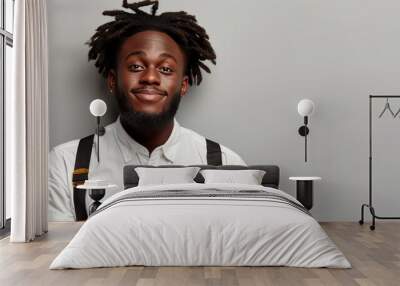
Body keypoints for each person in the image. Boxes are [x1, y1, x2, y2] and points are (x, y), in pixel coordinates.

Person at [48, 0, 246, 221]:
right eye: (136, 66)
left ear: (183, 85)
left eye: (165, 69)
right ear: (113, 80)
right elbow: (53, 252)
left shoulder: (229, 167)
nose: (151, 77)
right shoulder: (65, 164)